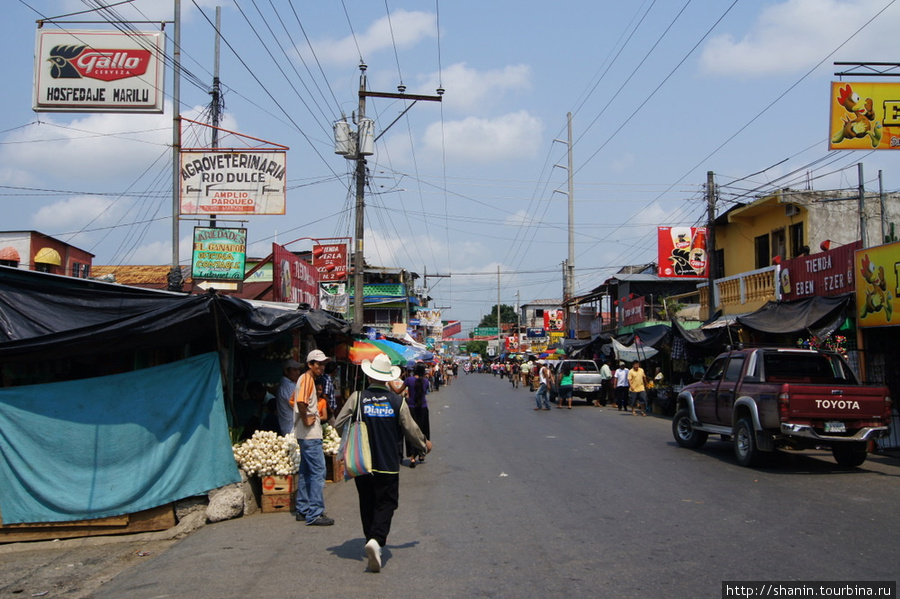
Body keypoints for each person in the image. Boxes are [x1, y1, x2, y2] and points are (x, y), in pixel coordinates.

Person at [335, 353, 432, 573]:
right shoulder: (397, 401)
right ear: (388, 378)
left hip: (362, 463)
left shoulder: (357, 398)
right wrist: (424, 443)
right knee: (387, 503)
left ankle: (371, 537)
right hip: (387, 462)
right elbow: (410, 429)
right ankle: (377, 540)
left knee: (367, 501)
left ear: (369, 376)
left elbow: (339, 423)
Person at [291, 349, 334, 526]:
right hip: (310, 435)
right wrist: (307, 417)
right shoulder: (307, 379)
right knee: (318, 472)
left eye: (324, 364)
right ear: (310, 364)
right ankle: (315, 512)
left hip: (304, 434)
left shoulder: (305, 379)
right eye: (319, 364)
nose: (322, 367)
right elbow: (300, 401)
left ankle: (303, 508)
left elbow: (292, 400)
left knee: (306, 471)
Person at [403, 363, 431, 467]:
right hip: (423, 409)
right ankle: (421, 453)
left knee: (411, 431)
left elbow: (398, 391)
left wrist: (390, 381)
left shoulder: (409, 380)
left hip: (411, 409)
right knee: (422, 430)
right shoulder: (426, 381)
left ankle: (412, 457)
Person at [276, 359, 302, 436]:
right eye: (294, 370)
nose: (298, 373)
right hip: (292, 428)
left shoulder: (290, 384)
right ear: (286, 372)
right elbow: (298, 406)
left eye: (298, 370)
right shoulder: (288, 386)